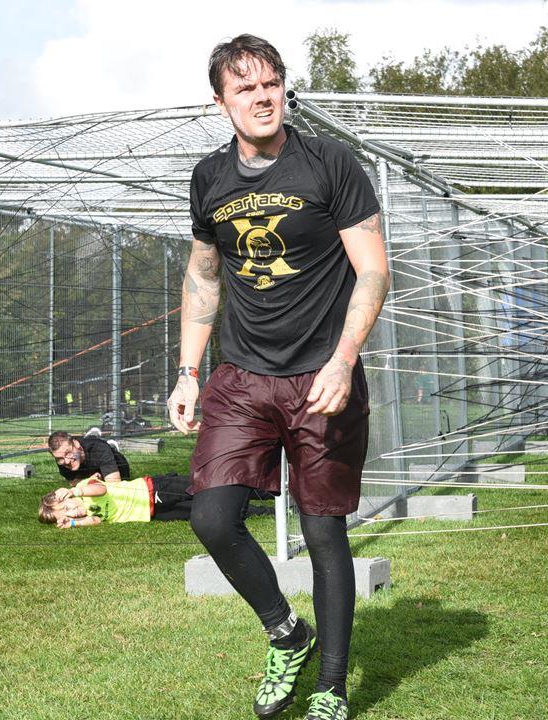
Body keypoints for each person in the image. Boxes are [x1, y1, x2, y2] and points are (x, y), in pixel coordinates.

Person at [169, 34, 390, 720]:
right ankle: (287, 633)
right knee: (211, 516)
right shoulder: (209, 178)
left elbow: (373, 269)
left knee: (323, 532)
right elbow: (204, 277)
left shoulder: (330, 164)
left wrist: (345, 358)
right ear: (221, 102)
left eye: (271, 83)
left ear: (284, 89)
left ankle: (331, 686)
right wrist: (187, 371)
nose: (262, 97)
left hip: (323, 375)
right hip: (242, 376)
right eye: (246, 88)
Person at [39, 473, 196, 526]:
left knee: (196, 487)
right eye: (68, 516)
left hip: (151, 490)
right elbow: (96, 521)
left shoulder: (83, 488)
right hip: (153, 513)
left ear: (67, 496)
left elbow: (101, 489)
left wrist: (75, 490)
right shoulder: (86, 515)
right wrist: (73, 523)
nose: (72, 513)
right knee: (193, 511)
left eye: (67, 509)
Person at [47, 429, 131, 485]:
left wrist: (92, 482)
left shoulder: (99, 449)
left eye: (68, 453)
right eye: (60, 458)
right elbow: (73, 483)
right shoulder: (62, 460)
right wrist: (90, 481)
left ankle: (111, 447)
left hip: (119, 467)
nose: (67, 461)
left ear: (76, 444)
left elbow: (115, 486)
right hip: (89, 470)